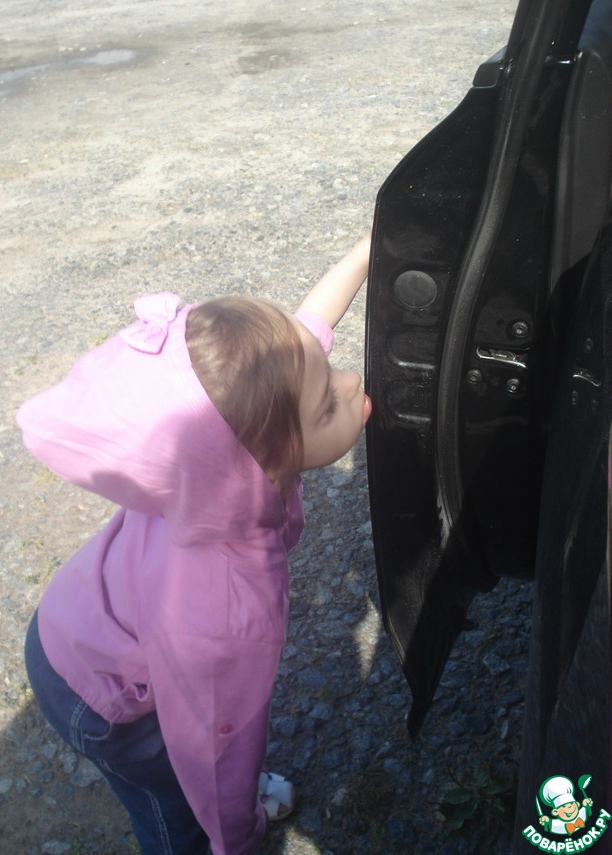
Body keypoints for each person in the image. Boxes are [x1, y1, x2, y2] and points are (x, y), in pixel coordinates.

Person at [19, 234, 372, 855]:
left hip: (79, 622)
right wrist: (237, 833)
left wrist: (369, 250)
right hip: (98, 698)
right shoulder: (224, 610)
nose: (351, 381)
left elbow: (303, 339)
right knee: (173, 801)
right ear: (261, 465)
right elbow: (214, 743)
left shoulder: (211, 471)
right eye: (327, 407)